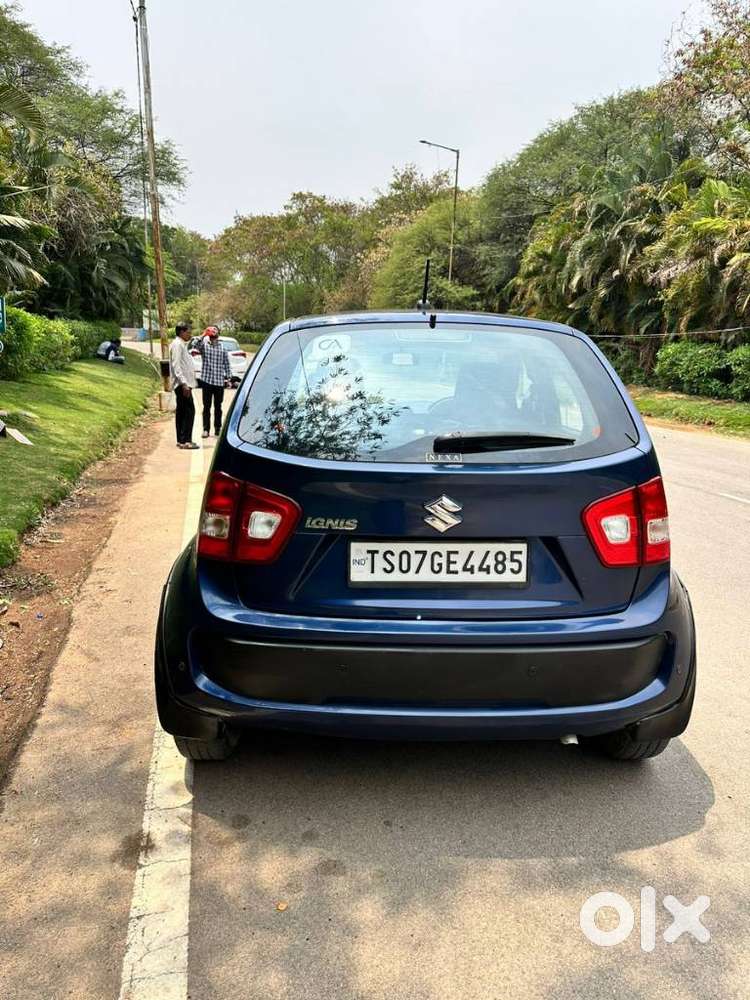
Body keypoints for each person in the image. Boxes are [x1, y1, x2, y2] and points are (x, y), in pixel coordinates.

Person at [196, 326, 231, 438]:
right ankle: (206, 429)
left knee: (218, 407)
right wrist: (203, 334)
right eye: (211, 331)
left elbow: (227, 364)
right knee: (206, 407)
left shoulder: (223, 349)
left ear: (218, 335)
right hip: (207, 381)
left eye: (214, 331)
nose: (213, 333)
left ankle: (217, 428)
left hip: (219, 382)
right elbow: (195, 345)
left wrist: (229, 378)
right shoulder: (204, 347)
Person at [169, 322, 199, 449]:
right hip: (182, 385)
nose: (190, 334)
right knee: (189, 411)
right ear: (181, 332)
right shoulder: (177, 345)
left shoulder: (181, 344)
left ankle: (181, 440)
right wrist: (184, 383)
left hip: (184, 384)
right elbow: (176, 365)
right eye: (188, 332)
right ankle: (186, 440)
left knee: (182, 411)